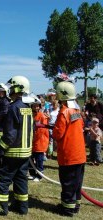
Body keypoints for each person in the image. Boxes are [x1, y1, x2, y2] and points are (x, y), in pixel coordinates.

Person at [0, 76, 33, 216]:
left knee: (3, 180)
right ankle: (22, 208)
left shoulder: (13, 108)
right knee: (21, 180)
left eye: (11, 87)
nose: (9, 90)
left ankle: (2, 208)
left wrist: (0, 148)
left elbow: (10, 135)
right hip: (25, 153)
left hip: (13, 152)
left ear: (17, 88)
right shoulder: (27, 108)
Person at [52, 81, 86, 217]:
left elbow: (58, 134)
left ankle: (67, 209)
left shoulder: (64, 112)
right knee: (77, 183)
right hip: (80, 154)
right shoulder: (77, 110)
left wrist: (53, 130)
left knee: (68, 182)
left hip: (69, 155)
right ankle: (75, 205)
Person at [28, 101, 49, 182]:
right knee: (30, 159)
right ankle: (32, 174)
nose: (36, 108)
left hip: (40, 142)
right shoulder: (31, 115)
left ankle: (39, 176)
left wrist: (33, 138)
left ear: (40, 107)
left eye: (37, 106)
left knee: (39, 160)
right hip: (32, 142)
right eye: (34, 106)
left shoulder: (42, 116)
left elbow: (41, 131)